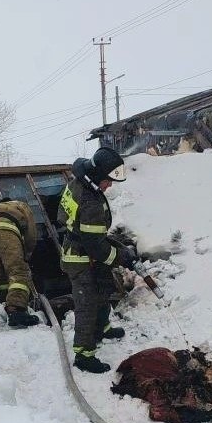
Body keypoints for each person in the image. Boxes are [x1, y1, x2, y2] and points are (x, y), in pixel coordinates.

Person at [57, 147, 137, 373]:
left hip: (84, 247)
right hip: (81, 257)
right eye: (107, 181)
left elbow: (93, 235)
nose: (109, 186)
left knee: (103, 287)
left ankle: (103, 327)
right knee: (87, 304)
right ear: (96, 176)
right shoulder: (90, 201)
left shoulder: (79, 181)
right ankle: (84, 354)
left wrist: (114, 247)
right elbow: (96, 246)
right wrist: (120, 257)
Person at [0, 198, 40, 327]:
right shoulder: (20, 205)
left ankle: (3, 302)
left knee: (0, 271)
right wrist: (27, 253)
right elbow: (31, 234)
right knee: (18, 271)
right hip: (5, 230)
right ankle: (16, 310)